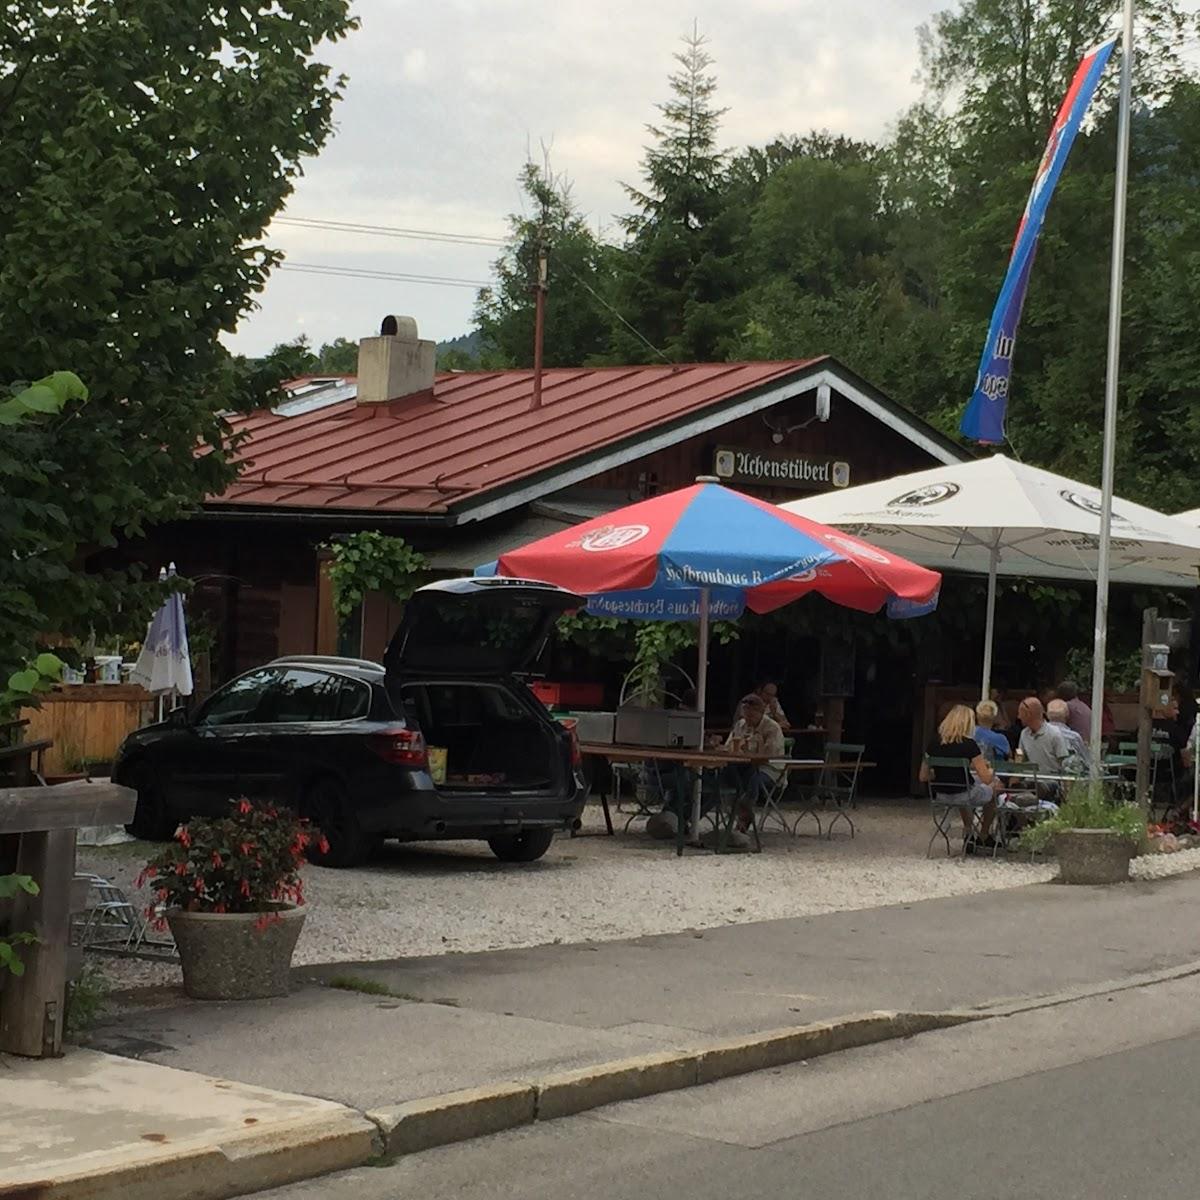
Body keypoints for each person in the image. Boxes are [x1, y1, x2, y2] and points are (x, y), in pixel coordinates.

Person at [919, 703, 998, 851]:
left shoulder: (933, 743)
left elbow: (923, 776)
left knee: (964, 788)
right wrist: (992, 771)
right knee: (994, 787)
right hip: (964, 795)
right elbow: (986, 779)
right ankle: (984, 834)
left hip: (941, 795)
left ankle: (968, 832)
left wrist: (938, 773)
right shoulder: (969, 745)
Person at [723, 693, 786, 846]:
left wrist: (754, 747)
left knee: (753, 777)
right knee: (725, 773)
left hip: (770, 769)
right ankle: (734, 806)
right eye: (746, 714)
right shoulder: (740, 725)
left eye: (752, 716)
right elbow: (728, 746)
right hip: (745, 765)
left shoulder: (772, 728)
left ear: (761, 713)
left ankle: (744, 816)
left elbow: (770, 755)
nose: (749, 719)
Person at [1016, 697, 1072, 776]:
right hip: (1030, 780)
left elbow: (1064, 763)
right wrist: (1015, 775)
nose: (1018, 717)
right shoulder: (1024, 734)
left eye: (1020, 713)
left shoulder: (1055, 734)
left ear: (1028, 714)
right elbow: (1020, 756)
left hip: (1051, 781)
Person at [1046, 698, 1090, 772]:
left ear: (1047, 714)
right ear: (1067, 715)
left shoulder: (1038, 733)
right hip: (1065, 777)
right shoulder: (1073, 737)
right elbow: (1086, 761)